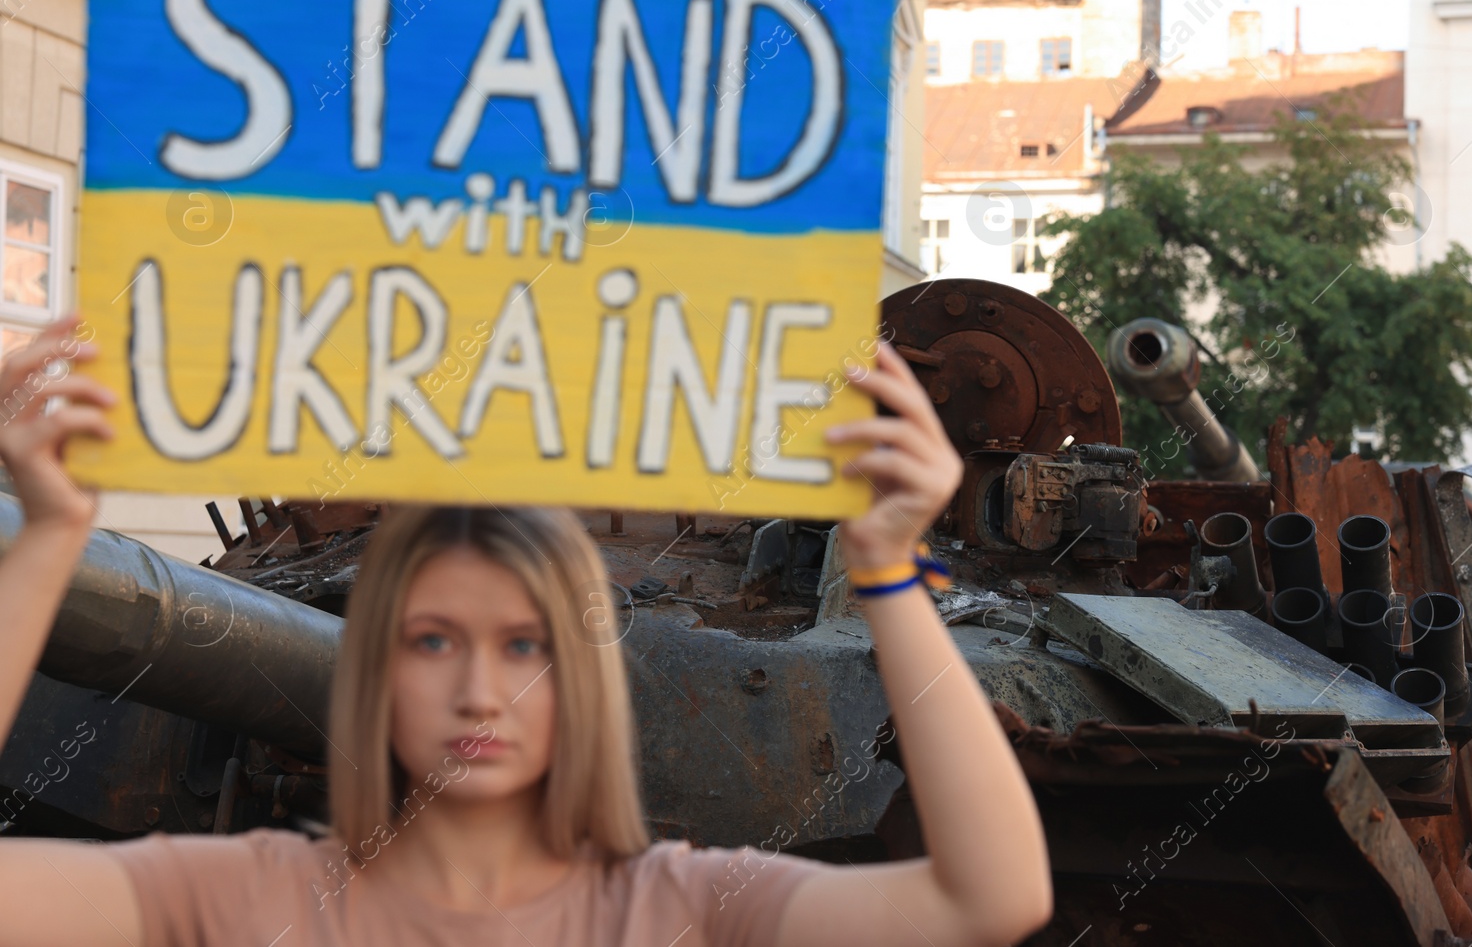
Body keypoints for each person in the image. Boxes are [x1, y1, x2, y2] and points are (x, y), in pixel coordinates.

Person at [0, 317, 1053, 947]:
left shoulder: (676, 904)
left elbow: (989, 896)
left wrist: (888, 570)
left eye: (524, 646)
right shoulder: (254, 894)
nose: (479, 689)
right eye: (429, 640)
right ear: (370, 672)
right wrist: (47, 541)